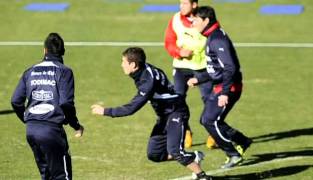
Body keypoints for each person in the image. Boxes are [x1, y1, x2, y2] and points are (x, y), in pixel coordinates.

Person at [91, 47, 213, 179]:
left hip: (176, 112)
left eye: (123, 62)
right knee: (155, 154)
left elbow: (132, 108)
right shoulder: (143, 70)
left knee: (175, 151)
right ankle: (194, 156)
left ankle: (202, 176)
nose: (121, 65)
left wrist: (105, 111)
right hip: (164, 115)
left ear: (133, 65)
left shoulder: (147, 81)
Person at [11, 33, 84, 179]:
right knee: (62, 177)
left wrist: (27, 119)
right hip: (52, 132)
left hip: (31, 131)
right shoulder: (64, 71)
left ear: (44, 50)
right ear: (63, 52)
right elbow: (65, 103)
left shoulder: (30, 71)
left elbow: (15, 101)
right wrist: (75, 125)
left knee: (47, 176)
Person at [188, 6, 252, 169]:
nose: (192, 22)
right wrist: (200, 78)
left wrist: (224, 93)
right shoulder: (212, 36)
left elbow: (230, 67)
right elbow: (216, 68)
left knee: (210, 120)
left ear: (206, 20)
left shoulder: (217, 39)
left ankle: (233, 154)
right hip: (221, 86)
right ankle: (242, 141)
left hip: (228, 88)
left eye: (195, 19)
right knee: (207, 120)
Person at [164, 0, 216, 148]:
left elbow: (215, 39)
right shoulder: (175, 19)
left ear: (194, 5)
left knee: (209, 101)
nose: (181, 6)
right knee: (177, 100)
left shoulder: (204, 20)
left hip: (202, 69)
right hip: (181, 67)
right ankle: (186, 130)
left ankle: (213, 132)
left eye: (185, 3)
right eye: (180, 3)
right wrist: (179, 52)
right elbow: (168, 41)